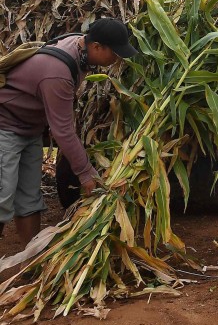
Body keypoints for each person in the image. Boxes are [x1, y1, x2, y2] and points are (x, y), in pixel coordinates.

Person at [0, 19, 137, 245]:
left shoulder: (78, 47)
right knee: (2, 196)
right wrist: (86, 173)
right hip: (5, 126)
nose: (117, 59)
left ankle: (29, 259)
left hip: (29, 129)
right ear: (97, 47)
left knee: (29, 199)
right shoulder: (58, 72)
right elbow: (62, 130)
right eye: (115, 53)